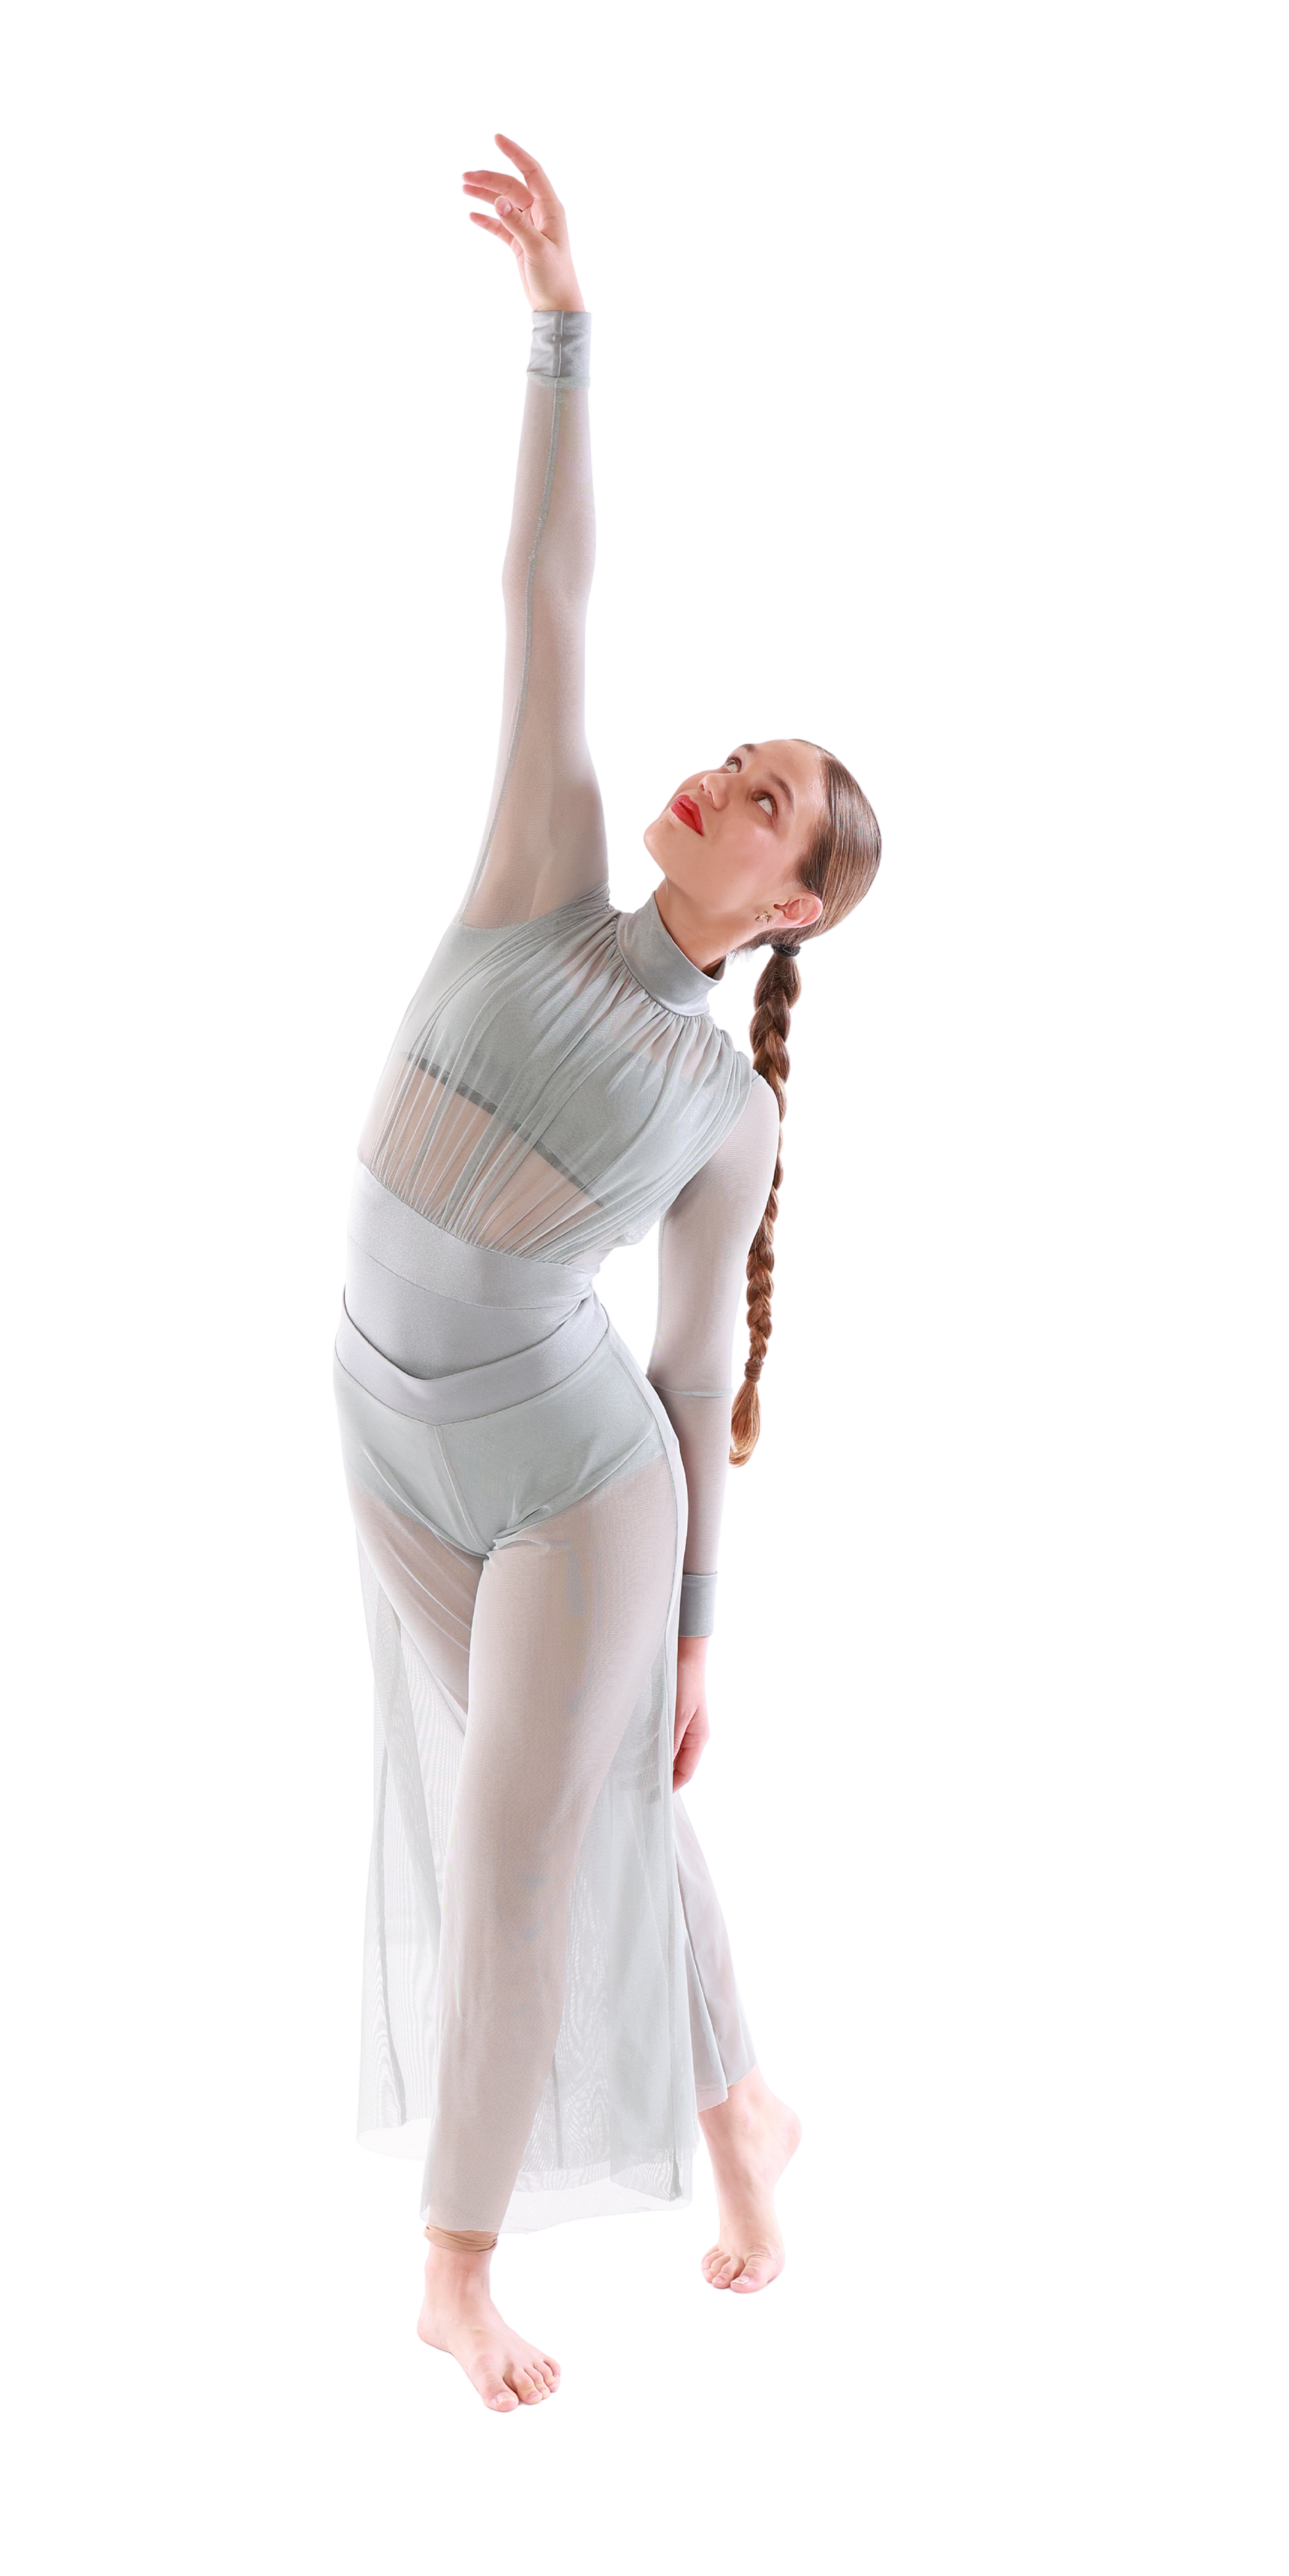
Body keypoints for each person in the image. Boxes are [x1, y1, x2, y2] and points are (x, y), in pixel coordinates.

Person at [330, 134, 883, 2414]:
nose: (719, 778)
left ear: (789, 907)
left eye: (763, 798)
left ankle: (456, 2268)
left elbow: (682, 1362)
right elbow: (540, 603)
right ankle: (742, 2118)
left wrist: (686, 1625)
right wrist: (560, 332)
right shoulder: (544, 862)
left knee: (526, 1834)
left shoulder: (722, 1113)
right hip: (385, 1413)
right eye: (742, 757)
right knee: (577, 1819)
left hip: (574, 1481)